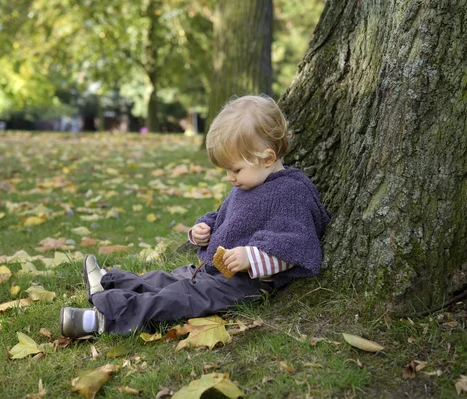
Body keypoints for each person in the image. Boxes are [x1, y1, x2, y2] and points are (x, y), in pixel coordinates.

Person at [60, 95, 332, 338]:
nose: (230, 178)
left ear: (266, 157)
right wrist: (203, 229)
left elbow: (296, 244)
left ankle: (101, 319)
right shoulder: (249, 182)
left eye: (234, 169)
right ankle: (108, 283)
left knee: (177, 299)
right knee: (166, 280)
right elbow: (224, 215)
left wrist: (251, 257)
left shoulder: (291, 193)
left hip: (241, 286)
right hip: (211, 272)